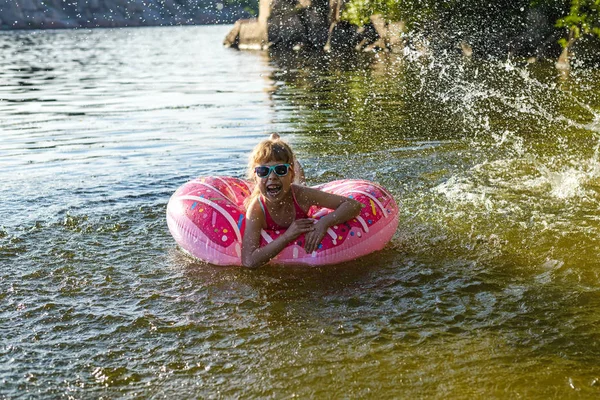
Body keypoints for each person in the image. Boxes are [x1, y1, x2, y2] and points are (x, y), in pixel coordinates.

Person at [242, 136, 362, 268]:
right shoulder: (256, 210)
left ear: (291, 174)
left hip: (294, 190)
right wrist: (287, 236)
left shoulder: (301, 195)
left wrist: (324, 222)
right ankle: (278, 146)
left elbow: (353, 205)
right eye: (263, 171)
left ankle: (292, 162)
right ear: (255, 176)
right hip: (282, 193)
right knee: (293, 184)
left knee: (302, 184)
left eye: (280, 170)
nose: (272, 176)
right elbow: (249, 261)